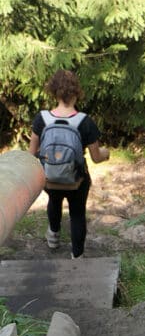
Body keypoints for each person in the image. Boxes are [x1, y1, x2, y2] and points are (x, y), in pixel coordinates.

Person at [28, 69, 110, 258]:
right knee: (77, 214)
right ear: (76, 92)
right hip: (77, 180)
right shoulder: (84, 121)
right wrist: (106, 154)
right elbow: (96, 157)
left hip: (50, 177)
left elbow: (32, 153)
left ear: (53, 92)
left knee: (54, 201)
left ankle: (54, 236)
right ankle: (77, 255)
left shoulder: (42, 119)